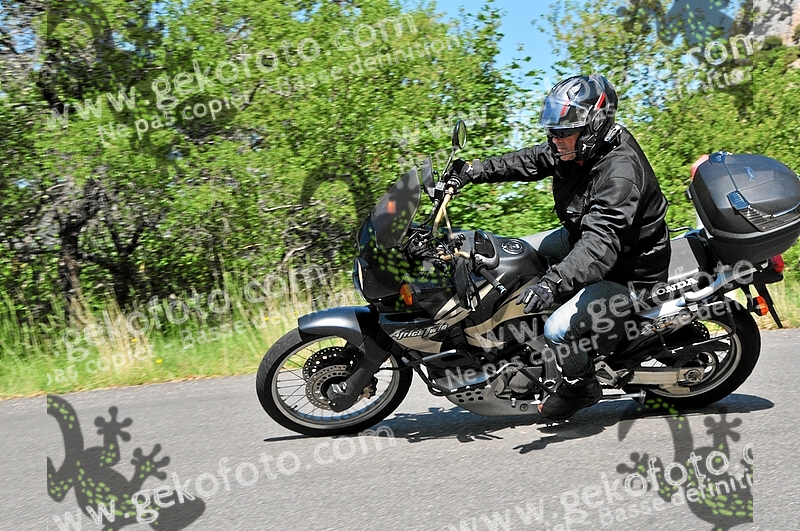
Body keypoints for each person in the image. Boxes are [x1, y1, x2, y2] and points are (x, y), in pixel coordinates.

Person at [447, 74, 671, 421]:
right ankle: (530, 343)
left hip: (628, 271)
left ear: (592, 127)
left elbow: (599, 245)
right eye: (552, 131)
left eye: (562, 132)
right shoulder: (577, 148)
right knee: (526, 253)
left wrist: (553, 282)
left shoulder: (619, 174)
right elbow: (529, 160)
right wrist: (472, 171)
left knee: (558, 329)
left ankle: (580, 386)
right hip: (589, 240)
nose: (554, 139)